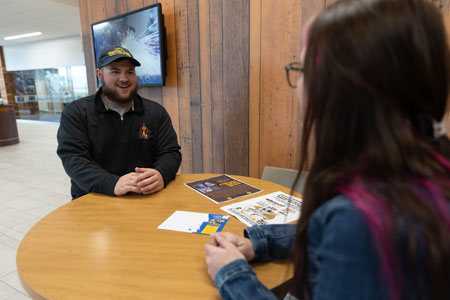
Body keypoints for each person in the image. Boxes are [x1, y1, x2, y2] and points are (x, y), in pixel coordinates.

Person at [204, 0, 450, 299]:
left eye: (304, 69)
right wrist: (262, 242)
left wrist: (232, 274)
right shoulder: (427, 170)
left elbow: (347, 237)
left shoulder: (358, 221)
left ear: (342, 92)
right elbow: (329, 238)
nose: (299, 86)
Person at [57, 46, 181, 199]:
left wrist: (161, 173)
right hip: (94, 197)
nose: (124, 78)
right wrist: (112, 183)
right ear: (99, 74)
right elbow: (73, 158)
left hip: (145, 196)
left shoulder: (156, 112)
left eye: (130, 72)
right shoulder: (76, 112)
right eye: (115, 72)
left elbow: (171, 152)